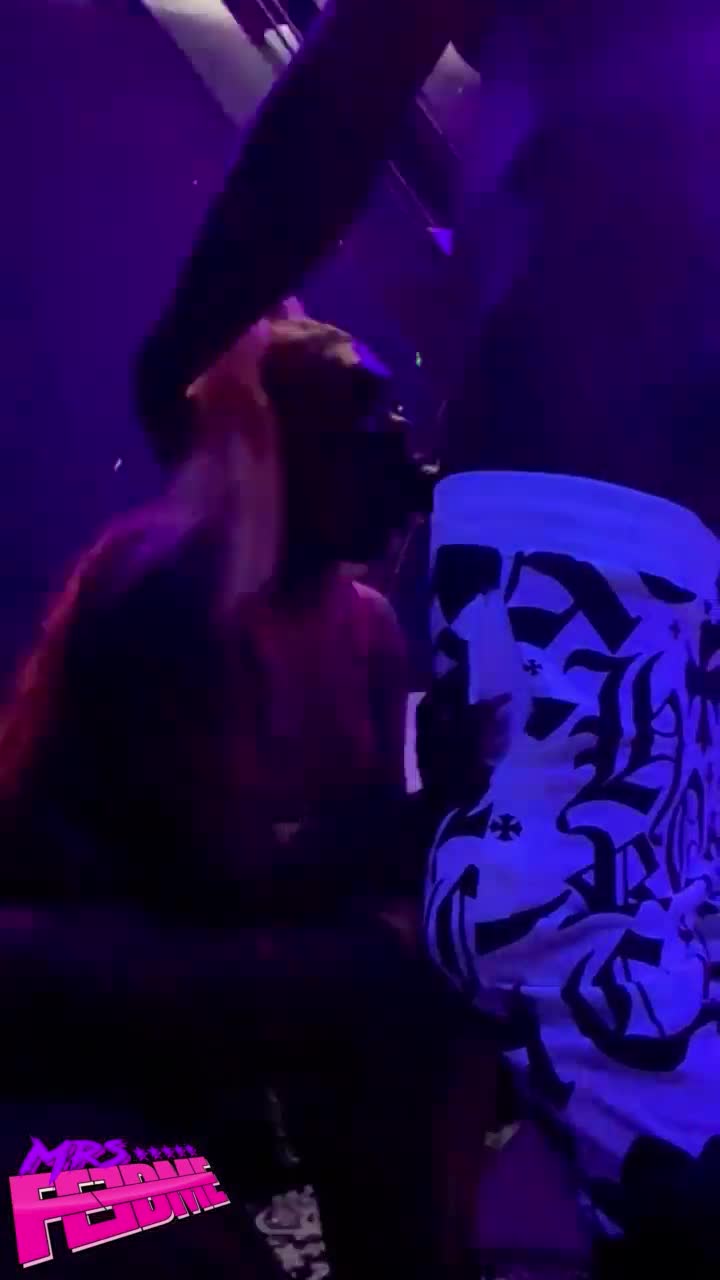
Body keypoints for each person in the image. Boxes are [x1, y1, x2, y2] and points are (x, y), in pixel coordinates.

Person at [128, 0, 720, 1270]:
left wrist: (184, 343)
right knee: (637, 967)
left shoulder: (343, 615)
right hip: (660, 464)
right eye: (368, 422)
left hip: (597, 457)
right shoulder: (176, 597)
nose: (405, 446)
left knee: (573, 954)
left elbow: (370, 54)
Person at [0, 309, 459, 1279]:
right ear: (282, 447)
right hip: (66, 1015)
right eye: (368, 433)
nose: (407, 468)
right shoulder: (169, 586)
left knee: (409, 985)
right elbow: (213, 875)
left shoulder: (366, 628)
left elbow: (332, 878)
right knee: (389, 990)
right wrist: (421, 817)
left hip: (192, 1012)